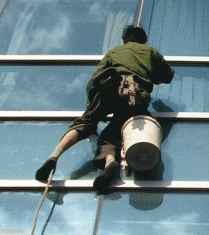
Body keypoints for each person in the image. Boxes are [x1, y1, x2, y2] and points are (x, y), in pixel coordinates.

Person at [35, 25, 174, 193]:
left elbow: (94, 79)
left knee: (86, 124)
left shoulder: (114, 52)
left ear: (125, 39)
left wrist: (92, 109)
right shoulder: (150, 52)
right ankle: (109, 163)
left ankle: (54, 156)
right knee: (113, 135)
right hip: (135, 95)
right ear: (143, 40)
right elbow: (167, 76)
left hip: (109, 87)